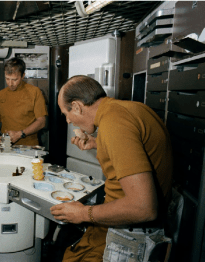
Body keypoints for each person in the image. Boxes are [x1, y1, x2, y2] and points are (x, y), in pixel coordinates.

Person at [50, 75, 173, 261]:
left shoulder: (112, 124)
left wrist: (82, 213)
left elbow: (143, 207)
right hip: (138, 227)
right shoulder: (130, 109)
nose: (68, 121)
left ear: (76, 106)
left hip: (132, 235)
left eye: (66, 114)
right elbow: (138, 147)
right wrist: (98, 143)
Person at [0, 57, 47, 146]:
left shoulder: (34, 92)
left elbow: (42, 122)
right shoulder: (1, 94)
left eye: (14, 80)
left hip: (29, 146)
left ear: (23, 76)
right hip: (6, 146)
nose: (10, 84)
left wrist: (20, 134)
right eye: (7, 79)